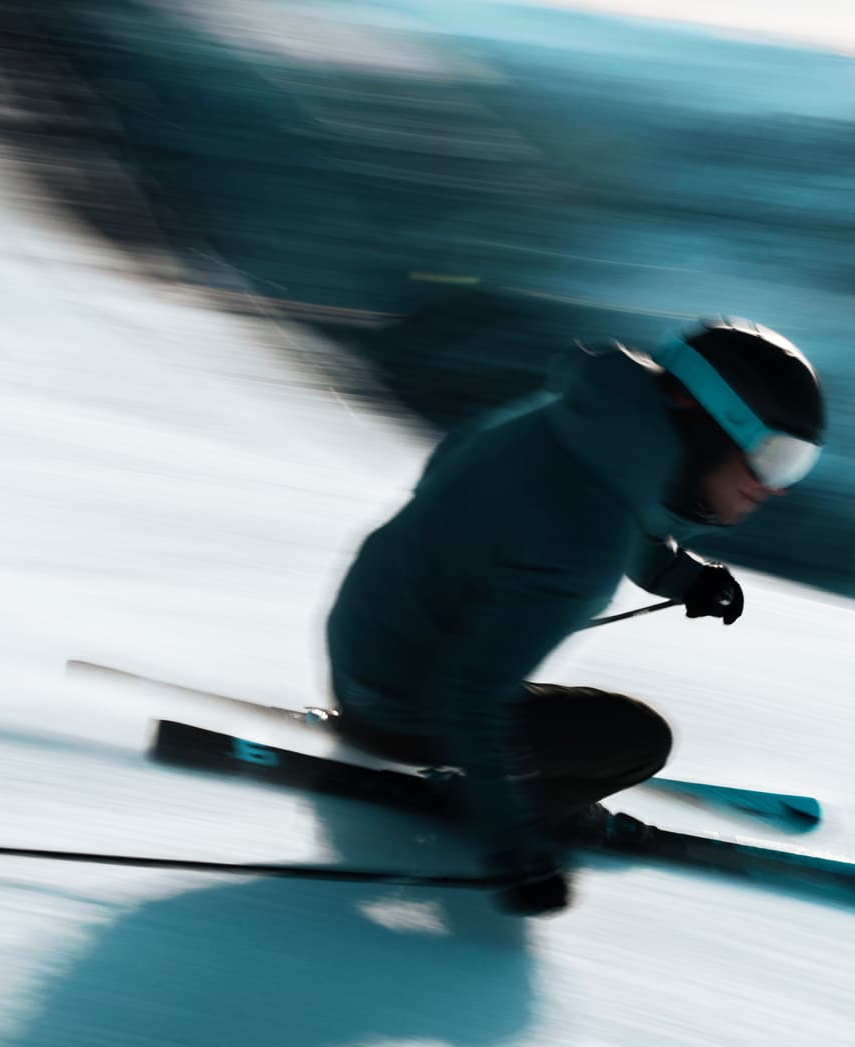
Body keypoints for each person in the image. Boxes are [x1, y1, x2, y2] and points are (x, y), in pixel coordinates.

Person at [326, 313, 826, 916]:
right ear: (711, 421)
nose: (775, 488)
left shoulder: (571, 424)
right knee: (637, 740)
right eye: (775, 456)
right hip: (402, 705)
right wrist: (518, 854)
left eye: (797, 464)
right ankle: (512, 802)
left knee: (519, 694)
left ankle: (415, 727)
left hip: (361, 649)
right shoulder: (587, 539)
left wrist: (681, 577)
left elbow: (583, 507)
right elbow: (470, 698)